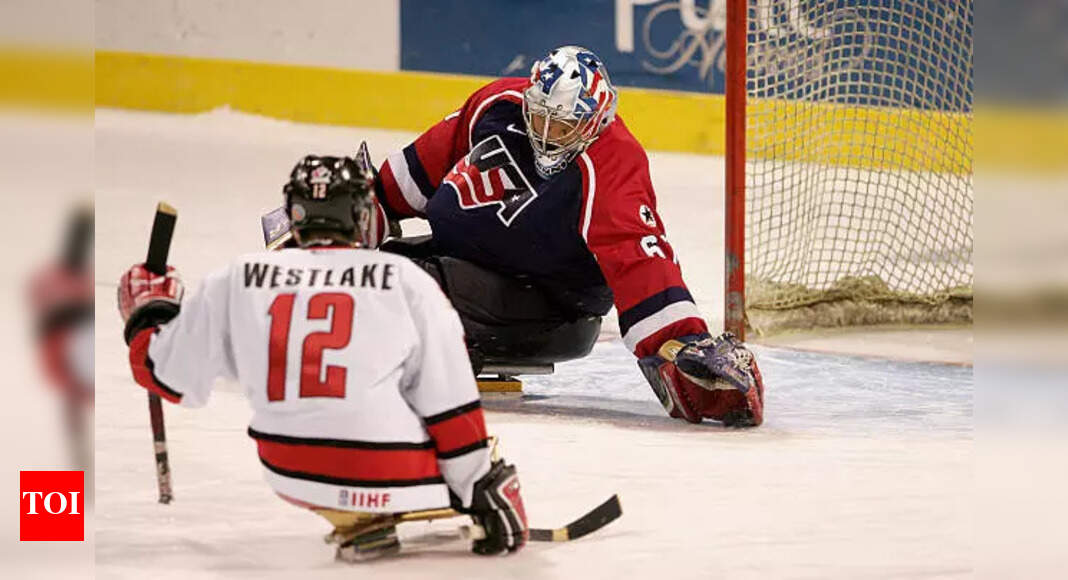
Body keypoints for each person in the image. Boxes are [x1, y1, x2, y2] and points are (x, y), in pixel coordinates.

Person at [117, 153, 528, 561]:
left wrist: (151, 310)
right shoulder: (407, 281)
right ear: (361, 215)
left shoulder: (238, 276)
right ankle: (374, 509)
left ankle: (354, 518)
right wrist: (480, 485)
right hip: (386, 470)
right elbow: (448, 401)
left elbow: (164, 373)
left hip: (289, 473)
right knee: (468, 442)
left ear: (294, 214)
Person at [372, 46, 765, 426]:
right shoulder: (498, 104)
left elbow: (639, 259)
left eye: (562, 126)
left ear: (593, 123)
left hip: (545, 304)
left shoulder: (610, 164)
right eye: (540, 118)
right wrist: (362, 204)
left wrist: (684, 344)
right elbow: (419, 168)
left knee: (405, 285)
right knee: (379, 268)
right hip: (470, 262)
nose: (546, 134)